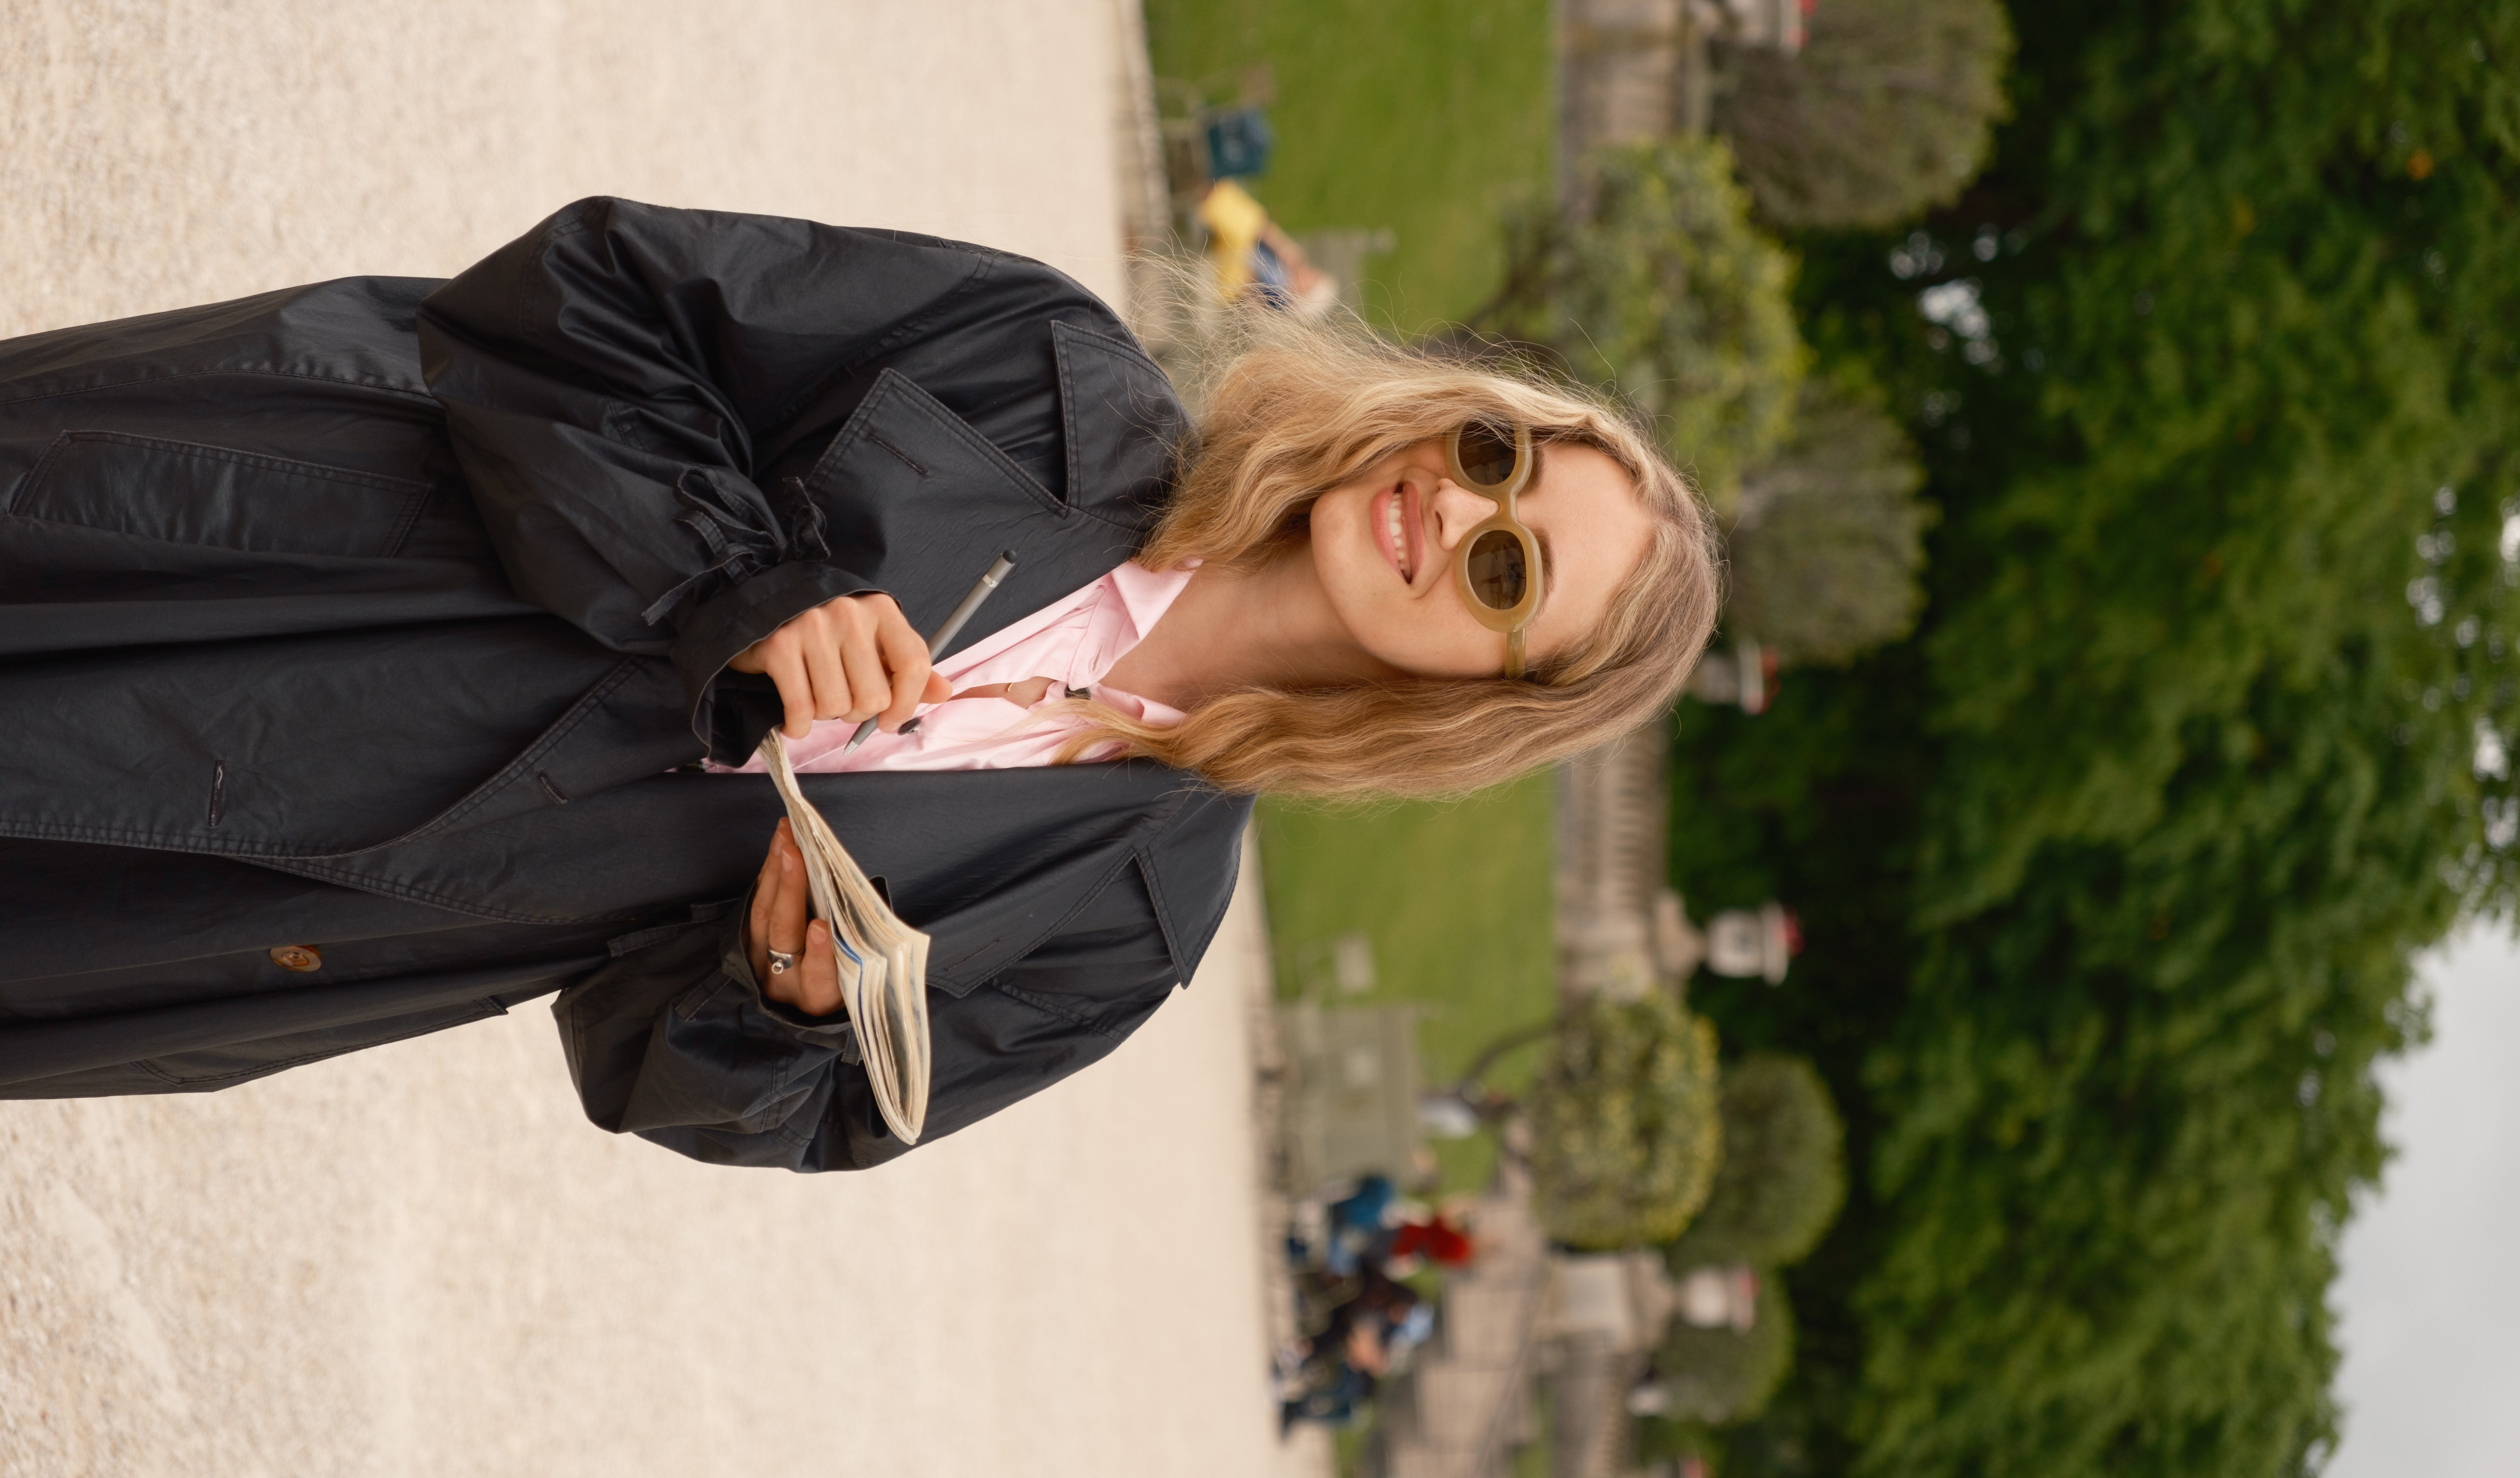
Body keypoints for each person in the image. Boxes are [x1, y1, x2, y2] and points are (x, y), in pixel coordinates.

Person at [0, 196, 1718, 1172]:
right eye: (1496, 449)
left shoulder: (1133, 915)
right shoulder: (1046, 370)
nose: (1457, 505)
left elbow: (759, 1107)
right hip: (261, 574)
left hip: (280, 901)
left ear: (1489, 698)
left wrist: (783, 996)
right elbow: (577, 301)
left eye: (1509, 567)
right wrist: (739, 582)